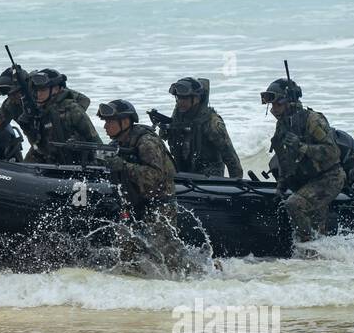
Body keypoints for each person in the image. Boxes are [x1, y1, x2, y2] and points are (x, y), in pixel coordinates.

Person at [97, 100, 183, 270]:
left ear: (126, 121)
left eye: (110, 122)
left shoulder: (146, 142)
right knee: (126, 254)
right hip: (134, 205)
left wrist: (122, 166)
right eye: (105, 122)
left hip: (159, 206)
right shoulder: (116, 145)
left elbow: (155, 176)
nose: (106, 127)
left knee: (168, 260)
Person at [261, 77, 345, 243]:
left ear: (289, 102)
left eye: (277, 105)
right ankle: (316, 252)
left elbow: (333, 152)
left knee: (294, 205)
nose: (273, 110)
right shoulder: (283, 124)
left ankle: (307, 248)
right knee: (317, 227)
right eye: (272, 106)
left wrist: (302, 147)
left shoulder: (312, 121)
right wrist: (281, 185)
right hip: (307, 181)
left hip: (329, 178)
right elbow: (284, 159)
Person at [161, 77, 242, 178]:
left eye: (185, 98)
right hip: (183, 172)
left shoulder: (212, 122)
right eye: (178, 98)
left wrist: (236, 186)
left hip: (208, 177)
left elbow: (231, 159)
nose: (180, 102)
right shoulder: (179, 114)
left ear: (197, 99)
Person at [30, 68, 100, 164]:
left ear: (55, 89)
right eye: (37, 90)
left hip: (78, 166)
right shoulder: (40, 112)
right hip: (52, 164)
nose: (39, 94)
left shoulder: (72, 110)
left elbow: (96, 142)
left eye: (43, 90)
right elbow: (38, 145)